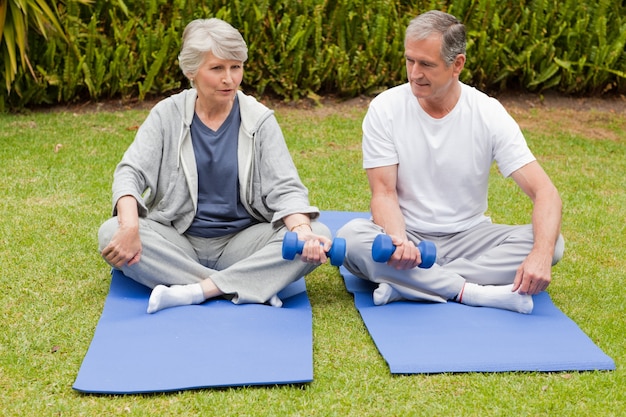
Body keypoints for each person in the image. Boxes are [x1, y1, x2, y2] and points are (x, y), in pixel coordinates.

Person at [98, 18, 332, 314]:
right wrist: (130, 226)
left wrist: (302, 230)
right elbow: (130, 173)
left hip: (243, 243)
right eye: (217, 68)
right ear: (191, 71)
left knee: (318, 231)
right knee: (111, 232)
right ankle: (250, 285)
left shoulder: (259, 119)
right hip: (178, 240)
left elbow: (286, 188)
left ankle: (195, 291)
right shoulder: (166, 114)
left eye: (236, 67)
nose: (230, 79)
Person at [336, 10, 564, 314]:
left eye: (426, 64)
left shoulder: (487, 112)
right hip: (408, 234)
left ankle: (411, 285)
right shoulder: (385, 108)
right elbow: (384, 193)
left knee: (551, 244)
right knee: (352, 239)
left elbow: (545, 193)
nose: (415, 73)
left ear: (457, 64)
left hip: (470, 237)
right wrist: (398, 241)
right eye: (409, 60)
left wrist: (541, 253)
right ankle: (470, 291)